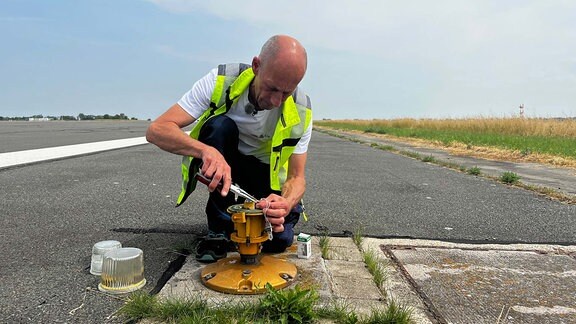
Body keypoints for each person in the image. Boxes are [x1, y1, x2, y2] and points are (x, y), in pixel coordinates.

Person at [146, 35, 312, 262]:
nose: (276, 101)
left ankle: (263, 222)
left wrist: (286, 203)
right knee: (218, 127)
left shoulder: (302, 109)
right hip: (229, 168)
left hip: (268, 180)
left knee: (279, 242)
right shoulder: (221, 80)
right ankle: (219, 228)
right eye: (272, 88)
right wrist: (206, 151)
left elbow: (297, 177)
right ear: (256, 66)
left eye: (286, 92)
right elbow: (157, 130)